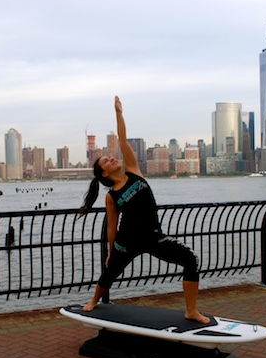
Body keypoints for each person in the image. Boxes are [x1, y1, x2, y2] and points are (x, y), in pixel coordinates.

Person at [78, 96, 210, 324]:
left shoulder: (133, 171)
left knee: (189, 259)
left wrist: (119, 113)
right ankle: (93, 301)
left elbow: (123, 141)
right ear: (105, 175)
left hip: (153, 237)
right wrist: (111, 251)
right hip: (126, 242)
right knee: (109, 273)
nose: (111, 159)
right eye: (106, 162)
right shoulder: (112, 196)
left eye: (109, 158)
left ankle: (191, 310)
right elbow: (112, 226)